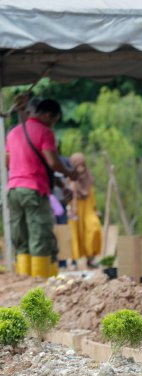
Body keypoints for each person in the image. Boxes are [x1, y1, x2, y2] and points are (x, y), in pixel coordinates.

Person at [6, 99, 76, 277]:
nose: (53, 125)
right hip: (34, 189)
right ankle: (41, 284)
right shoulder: (45, 132)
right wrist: (69, 172)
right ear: (47, 115)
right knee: (40, 236)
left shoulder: (13, 133)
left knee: (21, 238)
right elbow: (52, 162)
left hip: (13, 189)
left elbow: (8, 162)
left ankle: (24, 282)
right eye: (54, 120)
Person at [67, 153, 103, 266]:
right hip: (75, 209)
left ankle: (91, 257)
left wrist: (95, 209)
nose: (80, 169)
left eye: (82, 165)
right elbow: (66, 195)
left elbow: (91, 194)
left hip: (88, 208)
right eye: (77, 166)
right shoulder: (70, 178)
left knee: (94, 228)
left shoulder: (88, 178)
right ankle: (74, 261)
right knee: (75, 234)